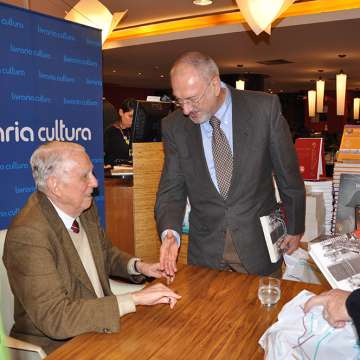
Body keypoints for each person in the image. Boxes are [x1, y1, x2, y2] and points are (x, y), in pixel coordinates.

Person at [3, 141, 180, 354]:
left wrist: (141, 267)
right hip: (59, 347)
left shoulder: (84, 207)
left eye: (92, 174)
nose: (95, 182)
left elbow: (104, 254)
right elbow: (56, 318)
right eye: (84, 176)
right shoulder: (28, 236)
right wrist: (133, 299)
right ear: (55, 186)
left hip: (99, 328)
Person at [155, 51, 305, 279]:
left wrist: (294, 227)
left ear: (214, 84)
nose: (185, 110)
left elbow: (288, 174)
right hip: (205, 252)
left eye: (192, 99)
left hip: (258, 246)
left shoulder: (263, 109)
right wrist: (169, 233)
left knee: (262, 313)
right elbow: (171, 188)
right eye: (179, 100)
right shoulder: (175, 126)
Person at [104, 98, 137, 165]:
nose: (133, 120)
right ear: (121, 112)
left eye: (135, 117)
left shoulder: (136, 132)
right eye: (130, 116)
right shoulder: (110, 132)